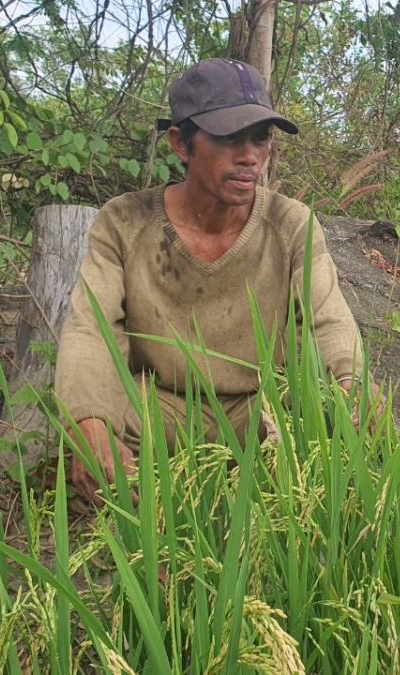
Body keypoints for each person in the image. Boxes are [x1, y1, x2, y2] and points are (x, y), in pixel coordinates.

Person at [55, 58, 374, 504]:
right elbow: (92, 329)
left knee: (353, 421)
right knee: (90, 427)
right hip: (160, 408)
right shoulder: (124, 223)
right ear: (181, 144)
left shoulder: (291, 223)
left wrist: (349, 383)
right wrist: (89, 420)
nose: (249, 156)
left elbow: (327, 319)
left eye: (260, 138)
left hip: (260, 411)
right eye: (228, 138)